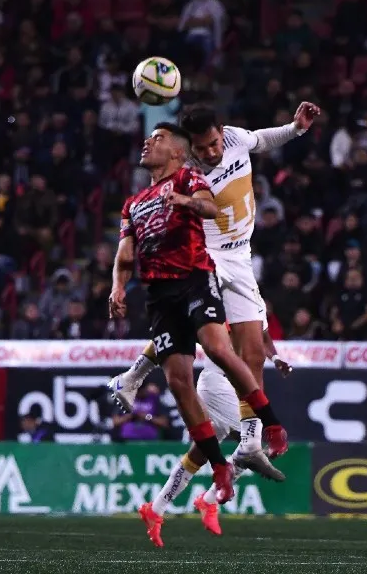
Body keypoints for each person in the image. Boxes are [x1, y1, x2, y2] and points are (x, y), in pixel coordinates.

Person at [109, 103, 317, 468]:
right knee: (195, 324)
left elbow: (262, 141)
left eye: (214, 144)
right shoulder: (185, 172)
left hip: (241, 257)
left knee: (250, 352)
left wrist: (295, 128)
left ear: (222, 132)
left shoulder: (235, 137)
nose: (210, 152)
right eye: (201, 148)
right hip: (207, 254)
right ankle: (135, 376)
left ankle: (250, 442)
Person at [142, 359, 292, 547]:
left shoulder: (253, 331)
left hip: (223, 383)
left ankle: (155, 509)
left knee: (201, 452)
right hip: (221, 383)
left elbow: (262, 337)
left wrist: (275, 357)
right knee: (250, 446)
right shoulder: (236, 330)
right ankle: (209, 498)